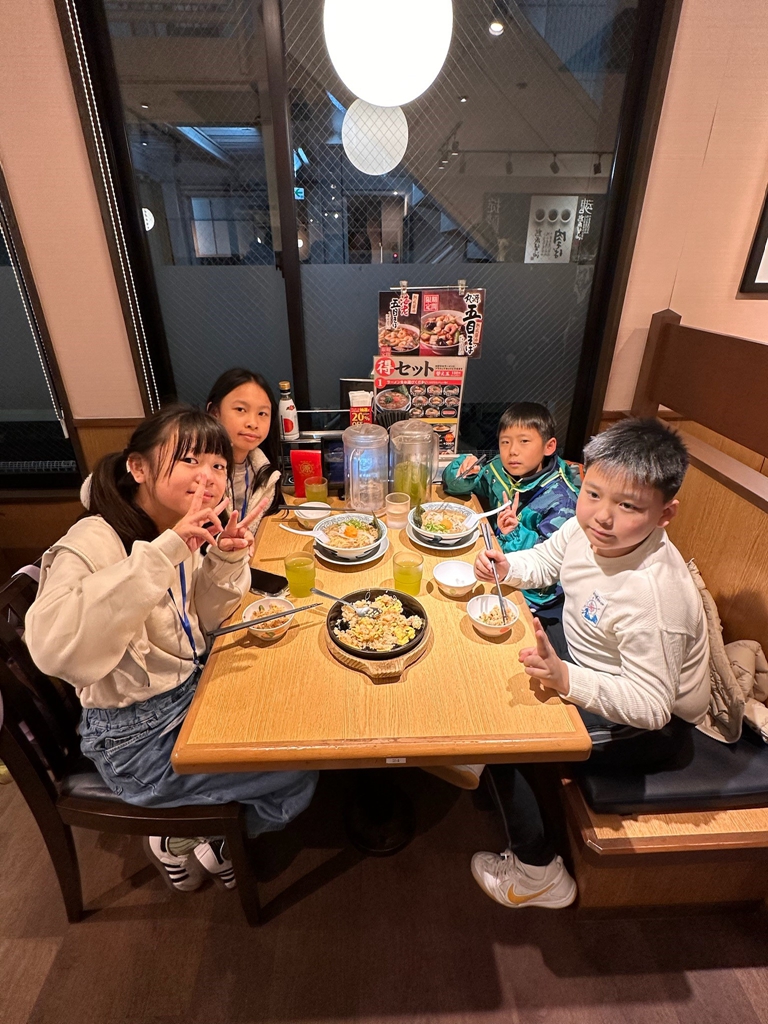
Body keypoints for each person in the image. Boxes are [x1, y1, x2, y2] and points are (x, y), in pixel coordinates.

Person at [25, 406, 317, 894]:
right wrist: (165, 552)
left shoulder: (178, 525)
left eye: (218, 464)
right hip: (135, 742)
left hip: (187, 692)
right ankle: (192, 840)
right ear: (138, 467)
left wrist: (224, 558)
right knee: (300, 770)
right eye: (189, 460)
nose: (208, 475)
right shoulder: (93, 539)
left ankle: (206, 830)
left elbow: (203, 618)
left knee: (291, 707)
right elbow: (53, 649)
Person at [471, 418, 710, 909]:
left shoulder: (655, 596)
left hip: (645, 728)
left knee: (502, 735)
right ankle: (490, 784)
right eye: (594, 494)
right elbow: (546, 560)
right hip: (585, 659)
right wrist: (509, 567)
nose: (602, 516)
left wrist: (566, 679)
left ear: (665, 514)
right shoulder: (587, 529)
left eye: (628, 506)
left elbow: (651, 707)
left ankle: (538, 874)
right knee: (491, 668)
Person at [431, 403, 580, 792]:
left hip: (539, 601)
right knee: (447, 621)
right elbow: (465, 488)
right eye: (505, 442)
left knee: (483, 654)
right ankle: (452, 731)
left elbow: (550, 565)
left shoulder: (561, 498)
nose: (512, 451)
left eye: (524, 442)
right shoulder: (500, 470)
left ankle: (477, 750)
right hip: (499, 568)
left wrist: (513, 535)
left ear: (549, 446)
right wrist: (461, 472)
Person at [206, 368, 282, 533]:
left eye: (262, 413)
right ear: (214, 413)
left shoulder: (264, 470)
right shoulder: (200, 475)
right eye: (241, 409)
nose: (253, 423)